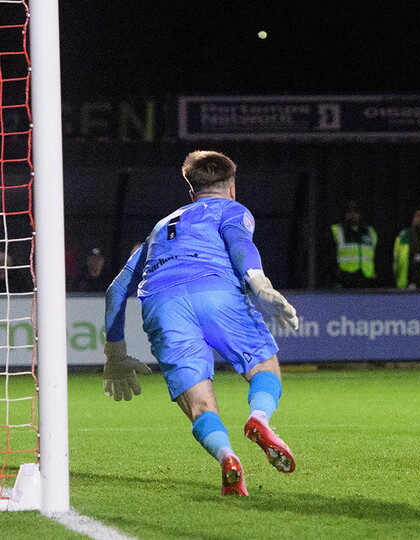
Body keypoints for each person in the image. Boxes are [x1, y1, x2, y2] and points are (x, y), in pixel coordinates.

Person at [102, 150, 301, 496]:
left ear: (191, 193)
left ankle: (227, 458)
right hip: (216, 292)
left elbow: (117, 289)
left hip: (162, 305)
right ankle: (259, 419)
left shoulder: (161, 227)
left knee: (199, 405)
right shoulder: (232, 209)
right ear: (232, 186)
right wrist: (260, 284)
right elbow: (239, 243)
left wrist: (115, 352)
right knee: (263, 366)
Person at [330, 200, 378, 288]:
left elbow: (376, 256)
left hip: (367, 281)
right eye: (349, 211)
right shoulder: (336, 230)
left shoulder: (371, 232)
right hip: (345, 281)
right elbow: (328, 257)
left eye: (356, 211)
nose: (352, 214)